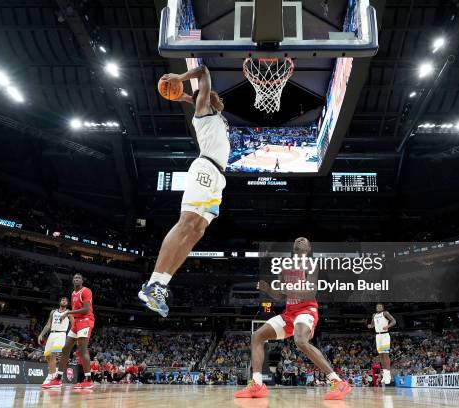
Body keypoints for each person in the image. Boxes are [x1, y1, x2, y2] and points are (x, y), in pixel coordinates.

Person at [139, 64, 230, 317]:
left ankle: (160, 285)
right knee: (186, 222)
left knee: (197, 231)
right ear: (208, 98)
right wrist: (181, 77)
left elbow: (197, 99)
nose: (220, 97)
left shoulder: (213, 114)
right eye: (215, 95)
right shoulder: (204, 111)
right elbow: (203, 71)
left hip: (218, 179)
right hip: (205, 168)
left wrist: (186, 97)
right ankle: (151, 283)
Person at [235, 238, 352, 400]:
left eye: (305, 239)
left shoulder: (311, 265)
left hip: (306, 310)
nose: (301, 239)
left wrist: (288, 289)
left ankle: (338, 382)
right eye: (298, 239)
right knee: (257, 336)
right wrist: (268, 289)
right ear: (293, 247)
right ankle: (257, 384)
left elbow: (311, 293)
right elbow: (279, 295)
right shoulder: (283, 266)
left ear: (309, 248)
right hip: (289, 313)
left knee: (300, 341)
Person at [43, 273, 95, 389]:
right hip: (76, 322)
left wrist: (68, 312)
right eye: (74, 278)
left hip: (86, 321)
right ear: (73, 281)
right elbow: (76, 310)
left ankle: (88, 380)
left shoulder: (86, 291)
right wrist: (70, 313)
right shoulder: (73, 293)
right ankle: (58, 379)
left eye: (78, 278)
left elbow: (86, 309)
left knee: (82, 350)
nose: (76, 279)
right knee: (65, 348)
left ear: (82, 281)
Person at [38, 297, 73, 387]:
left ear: (67, 303)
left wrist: (72, 337)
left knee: (54, 354)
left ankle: (50, 378)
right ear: (60, 302)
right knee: (48, 356)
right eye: (62, 300)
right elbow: (48, 324)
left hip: (61, 335)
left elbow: (73, 325)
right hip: (51, 335)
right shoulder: (53, 312)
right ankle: (54, 374)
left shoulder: (69, 313)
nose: (64, 301)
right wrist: (41, 334)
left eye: (65, 300)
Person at [367, 303, 396, 384]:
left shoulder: (385, 313)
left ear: (382, 308)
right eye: (377, 306)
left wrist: (388, 326)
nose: (378, 307)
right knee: (381, 356)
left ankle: (388, 375)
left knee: (385, 355)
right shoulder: (374, 315)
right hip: (378, 336)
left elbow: (394, 321)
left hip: (385, 335)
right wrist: (370, 326)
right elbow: (373, 324)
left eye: (380, 306)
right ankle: (385, 375)